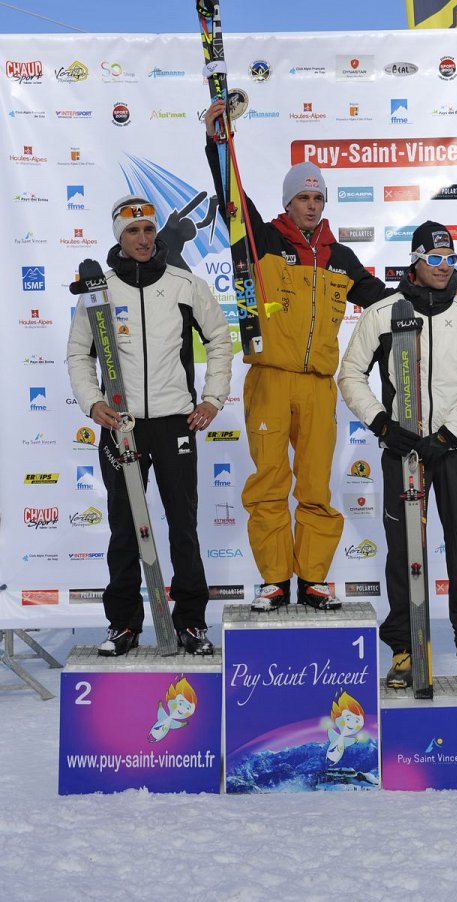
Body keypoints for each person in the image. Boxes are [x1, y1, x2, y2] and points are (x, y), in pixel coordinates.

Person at [205, 99, 394, 612]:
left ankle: (311, 580)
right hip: (269, 377)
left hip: (317, 386)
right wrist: (219, 142)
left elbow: (381, 298)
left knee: (315, 485)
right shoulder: (261, 240)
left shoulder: (339, 257)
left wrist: (442, 291)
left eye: (317, 197)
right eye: (303, 197)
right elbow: (232, 200)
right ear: (288, 203)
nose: (311, 205)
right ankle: (273, 580)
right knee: (269, 483)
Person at [338, 220, 457, 686]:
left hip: (455, 450)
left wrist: (450, 433)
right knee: (403, 551)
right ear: (415, 260)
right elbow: (350, 374)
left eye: (449, 258)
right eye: (434, 258)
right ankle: (405, 649)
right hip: (405, 451)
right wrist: (381, 424)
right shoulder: (385, 313)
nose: (443, 267)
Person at [67, 194, 232, 656]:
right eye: (131, 231)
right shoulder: (99, 289)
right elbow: (79, 353)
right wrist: (92, 402)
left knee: (184, 524)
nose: (142, 238)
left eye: (147, 229)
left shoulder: (185, 284)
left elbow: (220, 340)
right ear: (118, 236)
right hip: (120, 424)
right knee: (123, 525)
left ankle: (192, 623)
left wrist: (213, 399)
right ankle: (123, 624)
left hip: (174, 421)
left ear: (156, 232)